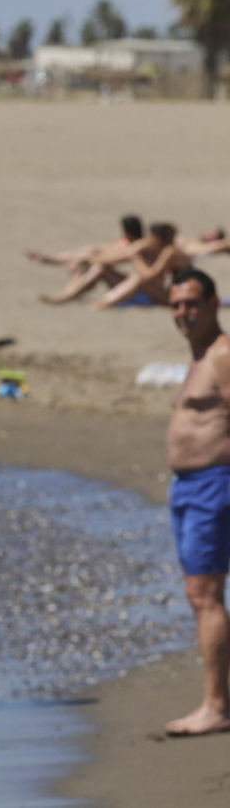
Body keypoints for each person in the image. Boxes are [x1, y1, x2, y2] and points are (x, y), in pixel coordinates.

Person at [162, 268, 230, 736]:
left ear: (214, 304)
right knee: (203, 594)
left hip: (215, 484)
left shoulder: (223, 356)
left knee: (204, 595)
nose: (183, 313)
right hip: (191, 487)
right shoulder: (198, 358)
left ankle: (216, 706)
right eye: (176, 305)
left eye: (192, 303)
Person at [39, 222, 186, 308]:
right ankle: (66, 295)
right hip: (149, 292)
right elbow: (115, 255)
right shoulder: (147, 247)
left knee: (137, 278)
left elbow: (149, 275)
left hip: (170, 296)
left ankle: (103, 303)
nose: (147, 239)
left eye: (150, 237)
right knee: (99, 266)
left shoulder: (170, 252)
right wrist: (87, 260)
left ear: (157, 238)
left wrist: (137, 261)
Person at [26, 214, 144, 271]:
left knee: (86, 255)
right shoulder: (128, 242)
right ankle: (49, 258)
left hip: (101, 258)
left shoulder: (135, 246)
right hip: (99, 254)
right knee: (89, 250)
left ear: (127, 231)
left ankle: (48, 259)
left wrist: (90, 259)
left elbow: (113, 259)